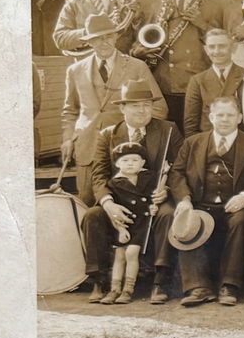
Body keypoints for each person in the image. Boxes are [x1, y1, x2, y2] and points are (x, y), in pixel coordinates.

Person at [81, 81, 179, 302]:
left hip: (152, 200)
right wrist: (108, 203)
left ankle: (160, 281)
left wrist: (167, 191)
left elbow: (178, 168)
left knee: (168, 214)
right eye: (135, 105)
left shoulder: (168, 130)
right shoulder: (108, 134)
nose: (142, 110)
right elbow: (99, 174)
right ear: (122, 108)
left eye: (146, 104)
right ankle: (99, 281)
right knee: (92, 215)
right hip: (119, 199)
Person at [168, 97, 244, 307]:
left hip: (235, 206)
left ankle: (229, 285)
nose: (225, 120)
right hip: (200, 203)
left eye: (230, 115)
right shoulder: (193, 143)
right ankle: (198, 287)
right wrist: (184, 200)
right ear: (211, 117)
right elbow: (176, 173)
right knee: (188, 221)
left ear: (239, 118)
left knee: (239, 222)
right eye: (220, 115)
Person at [61, 15, 166, 204]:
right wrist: (68, 138)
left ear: (116, 37)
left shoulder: (137, 67)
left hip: (126, 151)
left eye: (108, 36)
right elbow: (70, 111)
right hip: (88, 148)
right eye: (97, 38)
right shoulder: (75, 70)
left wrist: (137, 135)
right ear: (90, 41)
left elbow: (158, 107)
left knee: (125, 205)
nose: (104, 42)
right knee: (87, 204)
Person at [137, 0, 227, 131]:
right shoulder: (158, 4)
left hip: (193, 80)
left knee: (192, 130)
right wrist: (139, 51)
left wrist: (201, 23)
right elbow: (142, 37)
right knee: (166, 131)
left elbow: (220, 44)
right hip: (162, 80)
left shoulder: (213, 7)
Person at [97, 142, 156, 304]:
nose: (130, 164)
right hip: (125, 225)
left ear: (142, 163)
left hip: (143, 224)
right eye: (125, 160)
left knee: (131, 253)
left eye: (135, 160)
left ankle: (128, 288)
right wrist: (121, 229)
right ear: (117, 164)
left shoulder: (150, 178)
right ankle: (114, 289)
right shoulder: (114, 183)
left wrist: (153, 206)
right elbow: (115, 213)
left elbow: (155, 196)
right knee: (120, 255)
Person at [183, 28, 244, 139]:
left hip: (241, 145)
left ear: (233, 48)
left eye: (222, 46)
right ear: (206, 50)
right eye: (212, 47)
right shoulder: (197, 81)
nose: (216, 51)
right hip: (208, 144)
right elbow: (190, 125)